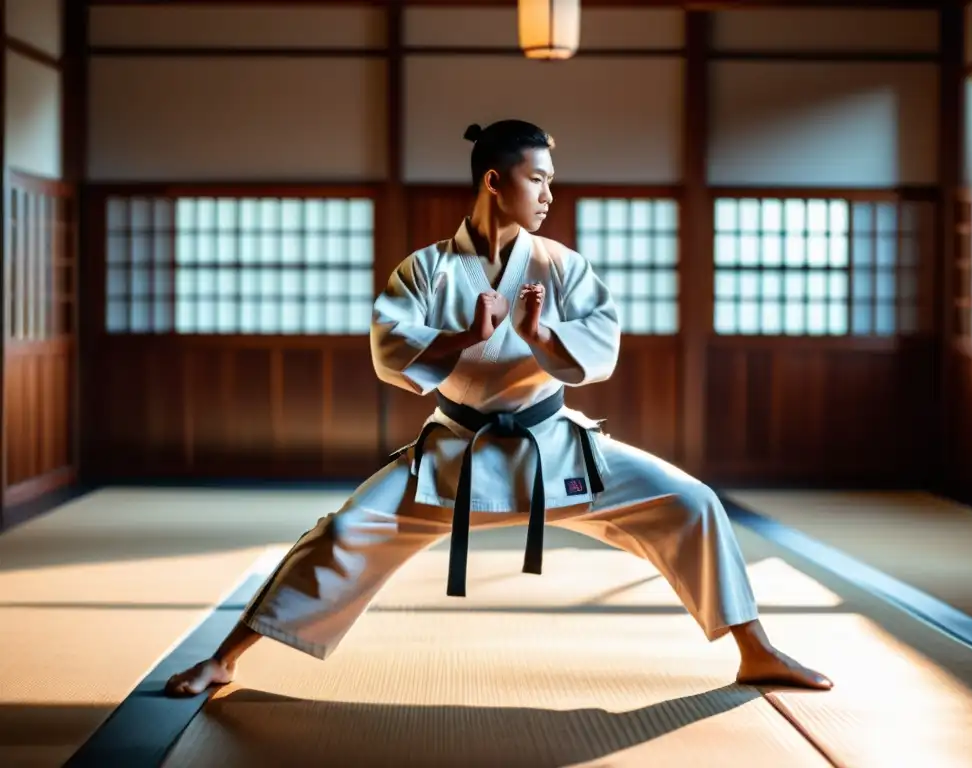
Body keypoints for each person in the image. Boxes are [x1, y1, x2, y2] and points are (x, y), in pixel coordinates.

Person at [166, 119, 832, 697]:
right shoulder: (426, 270)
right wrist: (466, 337)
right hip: (455, 455)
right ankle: (224, 660)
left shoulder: (561, 265)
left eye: (551, 181)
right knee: (342, 535)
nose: (549, 195)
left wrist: (543, 338)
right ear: (493, 181)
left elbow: (600, 346)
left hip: (557, 450)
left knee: (691, 503)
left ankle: (755, 652)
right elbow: (390, 351)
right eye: (537, 179)